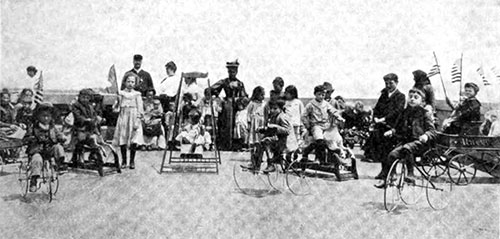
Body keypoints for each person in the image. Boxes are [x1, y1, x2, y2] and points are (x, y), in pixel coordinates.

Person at [374, 88, 436, 188]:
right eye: (410, 97)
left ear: (422, 101)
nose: (412, 99)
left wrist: (426, 135)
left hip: (420, 144)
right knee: (392, 155)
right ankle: (386, 179)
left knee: (407, 148)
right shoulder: (404, 112)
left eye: (416, 97)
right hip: (406, 142)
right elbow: (397, 127)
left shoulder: (425, 113)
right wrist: (392, 131)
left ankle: (411, 174)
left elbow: (432, 131)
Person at [366, 73, 405, 172]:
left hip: (393, 127)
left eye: (390, 83)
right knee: (382, 150)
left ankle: (392, 172)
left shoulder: (401, 96)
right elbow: (377, 108)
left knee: (391, 151)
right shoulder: (384, 95)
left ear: (397, 83)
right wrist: (375, 118)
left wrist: (384, 119)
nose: (388, 86)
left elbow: (397, 111)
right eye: (386, 83)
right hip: (381, 126)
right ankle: (384, 171)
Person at [245, 99, 297, 172]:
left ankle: (270, 164)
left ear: (281, 109)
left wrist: (275, 127)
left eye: (275, 109)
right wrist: (263, 129)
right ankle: (256, 164)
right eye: (271, 109)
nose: (272, 110)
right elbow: (271, 128)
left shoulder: (282, 117)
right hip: (278, 140)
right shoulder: (273, 117)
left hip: (286, 142)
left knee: (265, 141)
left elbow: (287, 131)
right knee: (260, 142)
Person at [24, 103, 67, 192]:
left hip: (49, 149)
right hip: (37, 150)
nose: (46, 118)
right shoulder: (33, 127)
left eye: (48, 116)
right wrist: (31, 138)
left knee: (58, 147)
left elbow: (59, 135)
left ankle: (61, 164)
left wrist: (62, 137)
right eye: (43, 116)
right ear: (38, 116)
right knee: (37, 160)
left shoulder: (52, 127)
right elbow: (26, 138)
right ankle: (34, 180)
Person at [207, 60, 248, 150]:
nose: (231, 73)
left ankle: (235, 145)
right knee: (225, 125)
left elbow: (244, 96)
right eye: (230, 71)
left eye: (233, 71)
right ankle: (223, 145)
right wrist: (218, 96)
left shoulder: (240, 83)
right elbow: (210, 89)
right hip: (226, 105)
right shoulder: (224, 82)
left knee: (236, 124)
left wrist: (240, 100)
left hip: (236, 106)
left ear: (236, 72)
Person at [113, 73, 144, 169]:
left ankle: (132, 161)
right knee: (123, 138)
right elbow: (116, 110)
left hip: (133, 117)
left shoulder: (137, 94)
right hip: (123, 117)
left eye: (132, 82)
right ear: (125, 82)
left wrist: (137, 121)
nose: (130, 84)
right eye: (128, 81)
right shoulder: (121, 93)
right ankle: (124, 161)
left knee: (133, 139)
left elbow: (140, 109)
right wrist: (118, 102)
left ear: (135, 83)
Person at [301, 85, 337, 164]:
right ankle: (319, 158)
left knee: (329, 141)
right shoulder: (311, 104)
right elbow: (303, 116)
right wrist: (308, 125)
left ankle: (328, 159)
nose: (321, 96)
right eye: (319, 94)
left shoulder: (326, 104)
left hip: (325, 125)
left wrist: (338, 116)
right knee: (319, 141)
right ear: (315, 94)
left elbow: (333, 110)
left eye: (323, 95)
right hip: (316, 125)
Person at [71, 89, 104, 167]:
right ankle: (77, 158)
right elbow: (78, 117)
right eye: (83, 97)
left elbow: (93, 115)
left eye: (87, 98)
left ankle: (93, 155)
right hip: (80, 127)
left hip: (89, 128)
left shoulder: (90, 106)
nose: (85, 99)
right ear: (79, 97)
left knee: (95, 139)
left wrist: (97, 118)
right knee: (80, 141)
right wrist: (86, 120)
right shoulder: (76, 105)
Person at [284, 85, 305, 149]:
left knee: (296, 139)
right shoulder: (285, 102)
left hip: (296, 124)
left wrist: (302, 126)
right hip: (287, 125)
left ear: (293, 94)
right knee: (288, 140)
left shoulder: (298, 102)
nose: (286, 94)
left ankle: (296, 154)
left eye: (287, 93)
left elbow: (302, 114)